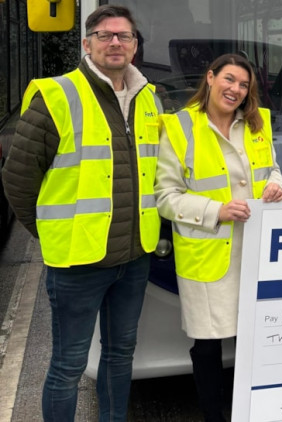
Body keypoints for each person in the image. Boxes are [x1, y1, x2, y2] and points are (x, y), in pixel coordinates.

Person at [1, 5, 162, 421]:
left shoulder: (149, 99)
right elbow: (18, 179)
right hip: (78, 263)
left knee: (120, 355)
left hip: (134, 256)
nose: (115, 43)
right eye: (105, 35)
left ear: (135, 46)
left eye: (124, 36)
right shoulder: (56, 94)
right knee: (69, 366)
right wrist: (52, 232)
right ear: (87, 43)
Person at [155, 53, 282, 421]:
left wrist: (277, 186)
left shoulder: (258, 124)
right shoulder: (180, 127)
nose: (236, 90)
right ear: (210, 78)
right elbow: (165, 197)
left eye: (244, 85)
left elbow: (274, 169)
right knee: (209, 344)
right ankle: (214, 414)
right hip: (208, 253)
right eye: (229, 80)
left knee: (255, 338)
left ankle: (251, 410)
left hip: (255, 250)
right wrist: (217, 211)